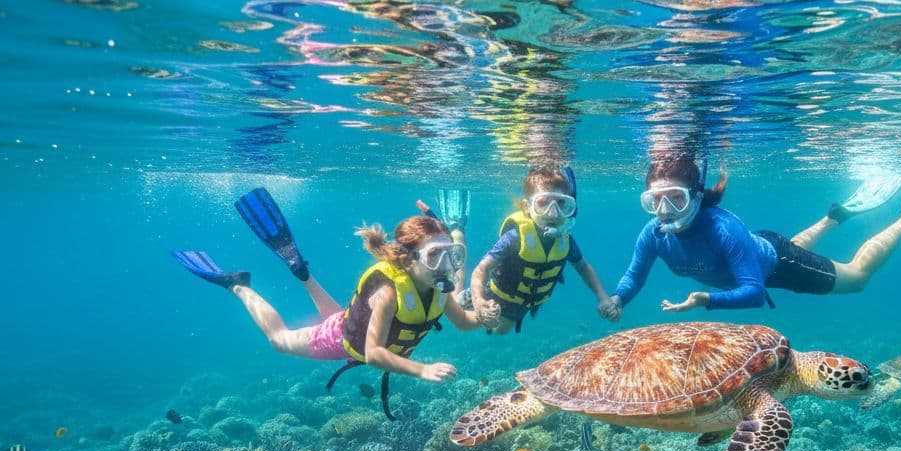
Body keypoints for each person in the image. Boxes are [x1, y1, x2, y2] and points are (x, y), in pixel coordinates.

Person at [599, 156, 901, 319]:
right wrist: (619, 297)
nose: (664, 211)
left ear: (698, 197)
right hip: (760, 249)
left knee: (857, 278)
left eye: (675, 198)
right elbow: (635, 275)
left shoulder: (721, 228)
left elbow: (754, 293)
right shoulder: (653, 233)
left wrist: (707, 300)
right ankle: (835, 217)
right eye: (655, 200)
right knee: (781, 248)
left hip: (773, 265)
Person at [173, 189, 485, 392]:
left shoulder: (437, 285)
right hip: (339, 339)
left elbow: (464, 322)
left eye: (452, 254)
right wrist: (422, 370)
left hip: (353, 320)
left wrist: (485, 315)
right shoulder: (388, 294)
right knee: (280, 341)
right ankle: (238, 285)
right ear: (409, 257)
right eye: (435, 256)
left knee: (344, 316)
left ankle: (302, 271)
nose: (447, 264)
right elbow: (372, 353)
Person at [470, 164, 616, 333]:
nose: (553, 213)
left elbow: (583, 267)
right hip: (500, 298)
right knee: (479, 325)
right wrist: (479, 301)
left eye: (561, 204)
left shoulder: (565, 240)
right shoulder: (515, 237)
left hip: (527, 301)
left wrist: (603, 297)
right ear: (527, 206)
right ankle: (468, 296)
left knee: (502, 330)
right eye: (543, 203)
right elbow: (482, 268)